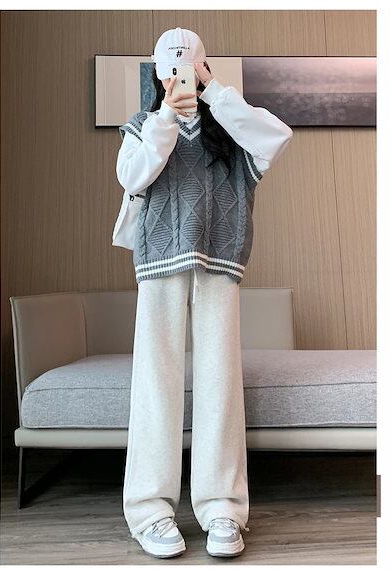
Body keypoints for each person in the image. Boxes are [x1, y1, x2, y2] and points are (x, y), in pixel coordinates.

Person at [115, 27, 293, 559]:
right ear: (157, 73)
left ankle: (223, 509)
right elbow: (133, 177)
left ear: (203, 68)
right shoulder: (144, 125)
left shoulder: (232, 130)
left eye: (188, 69)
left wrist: (216, 94)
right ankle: (149, 510)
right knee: (155, 385)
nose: (179, 79)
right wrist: (165, 119)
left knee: (220, 383)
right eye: (170, 70)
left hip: (219, 263)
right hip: (159, 265)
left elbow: (276, 137)